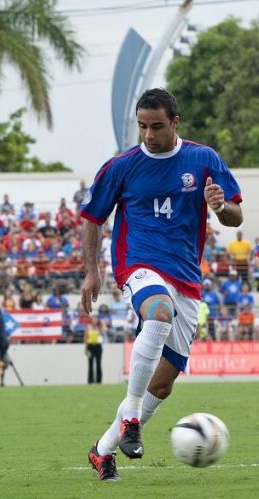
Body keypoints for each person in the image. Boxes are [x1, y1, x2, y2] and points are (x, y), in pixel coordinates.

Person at [81, 89, 243, 482]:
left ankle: (102, 452)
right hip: (139, 264)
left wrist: (219, 206)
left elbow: (236, 217)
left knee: (164, 383)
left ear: (174, 122)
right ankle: (131, 418)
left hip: (186, 277)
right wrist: (91, 271)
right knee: (158, 311)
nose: (148, 134)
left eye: (156, 126)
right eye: (142, 126)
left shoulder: (203, 159)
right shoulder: (121, 166)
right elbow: (91, 217)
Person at [85, 317, 103, 384]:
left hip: (98, 346)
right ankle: (90, 380)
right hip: (90, 346)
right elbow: (86, 337)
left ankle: (99, 380)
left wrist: (101, 325)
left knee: (98, 363)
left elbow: (103, 332)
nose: (95, 320)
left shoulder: (99, 327)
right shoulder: (88, 327)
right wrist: (85, 348)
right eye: (94, 319)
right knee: (90, 363)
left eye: (96, 319)